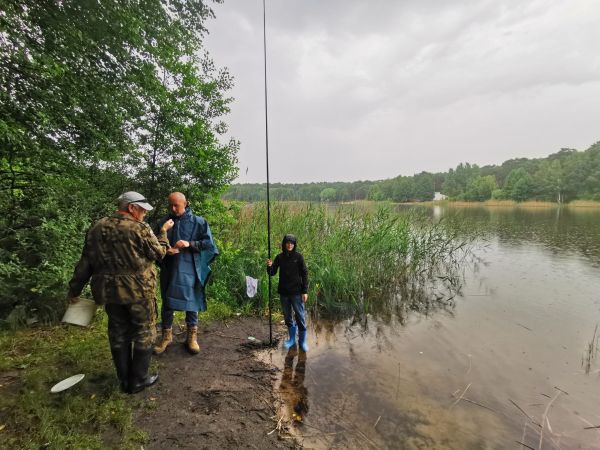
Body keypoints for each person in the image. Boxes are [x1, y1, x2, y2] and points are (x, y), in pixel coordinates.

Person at [66, 191, 174, 394]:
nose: (143, 214)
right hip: (138, 292)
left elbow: (85, 262)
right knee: (144, 332)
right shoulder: (139, 228)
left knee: (118, 333)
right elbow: (159, 254)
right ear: (131, 207)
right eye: (142, 210)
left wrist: (75, 289)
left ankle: (124, 379)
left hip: (109, 292)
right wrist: (163, 234)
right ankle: (139, 381)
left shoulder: (97, 227)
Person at [153, 192, 218, 355]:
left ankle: (191, 337)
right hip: (169, 267)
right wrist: (165, 250)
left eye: (177, 205)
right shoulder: (163, 222)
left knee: (192, 301)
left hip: (190, 267)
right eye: (170, 205)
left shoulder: (199, 222)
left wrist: (189, 243)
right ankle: (166, 336)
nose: (173, 209)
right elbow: (152, 245)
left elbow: (209, 245)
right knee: (167, 302)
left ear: (186, 203)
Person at [267, 234, 309, 352]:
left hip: (297, 293)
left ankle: (302, 342)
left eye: (292, 243)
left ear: (294, 244)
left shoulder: (299, 257)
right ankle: (291, 340)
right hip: (284, 293)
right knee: (288, 318)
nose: (289, 245)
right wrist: (269, 266)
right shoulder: (279, 257)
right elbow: (272, 272)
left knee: (300, 317)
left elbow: (304, 274)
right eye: (287, 242)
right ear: (284, 244)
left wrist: (304, 291)